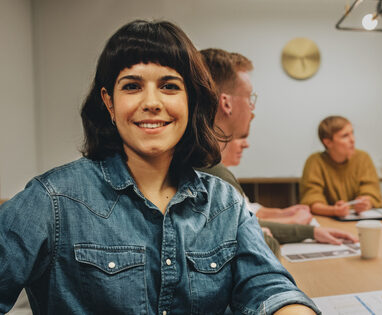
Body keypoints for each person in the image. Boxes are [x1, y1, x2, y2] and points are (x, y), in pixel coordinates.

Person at [0, 20, 318, 314]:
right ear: (109, 102)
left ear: (191, 101)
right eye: (132, 86)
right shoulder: (50, 201)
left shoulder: (224, 203)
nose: (152, 102)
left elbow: (270, 288)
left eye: (169, 86)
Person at [197, 48, 356, 251]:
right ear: (226, 103)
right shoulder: (213, 174)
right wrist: (265, 238)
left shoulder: (204, 163)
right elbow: (256, 251)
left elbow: (246, 226)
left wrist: (309, 232)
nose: (252, 110)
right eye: (249, 98)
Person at [300, 116, 382, 217]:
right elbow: (311, 199)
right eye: (345, 136)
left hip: (359, 219)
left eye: (352, 133)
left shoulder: (363, 158)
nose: (352, 139)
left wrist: (366, 203)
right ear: (328, 142)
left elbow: (371, 191)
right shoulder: (315, 161)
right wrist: (333, 210)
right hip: (327, 221)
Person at [221, 137, 313, 225]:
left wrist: (283, 213)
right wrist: (293, 221)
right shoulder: (218, 178)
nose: (246, 144)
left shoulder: (227, 172)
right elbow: (244, 225)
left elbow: (248, 209)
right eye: (239, 137)